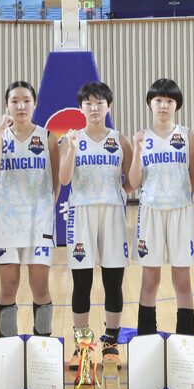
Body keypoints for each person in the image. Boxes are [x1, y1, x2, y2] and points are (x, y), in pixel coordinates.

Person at [59, 82, 134, 368]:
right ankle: (82, 346)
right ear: (81, 107)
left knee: (113, 281)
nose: (94, 108)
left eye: (99, 103)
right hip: (81, 213)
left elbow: (132, 180)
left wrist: (115, 194)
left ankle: (110, 344)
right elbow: (64, 179)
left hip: (112, 213)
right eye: (88, 103)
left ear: (109, 106)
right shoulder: (71, 138)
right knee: (82, 282)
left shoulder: (119, 140)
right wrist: (72, 149)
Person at [0, 81, 60, 339]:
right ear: (6, 105)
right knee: (8, 286)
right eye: (15, 101)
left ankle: (43, 345)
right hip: (7, 224)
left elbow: (56, 181)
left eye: (26, 100)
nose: (21, 106)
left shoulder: (48, 137)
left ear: (35, 104)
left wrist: (45, 210)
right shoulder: (0, 137)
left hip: (38, 223)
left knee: (40, 287)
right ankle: (8, 345)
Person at [128, 78, 194, 337]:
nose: (163, 105)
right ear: (150, 103)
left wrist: (183, 198)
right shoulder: (141, 137)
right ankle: (146, 336)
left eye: (169, 101)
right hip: (151, 213)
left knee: (182, 280)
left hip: (181, 212)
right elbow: (134, 182)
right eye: (158, 100)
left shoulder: (187, 135)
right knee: (150, 280)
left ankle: (186, 338)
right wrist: (136, 151)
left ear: (176, 105)